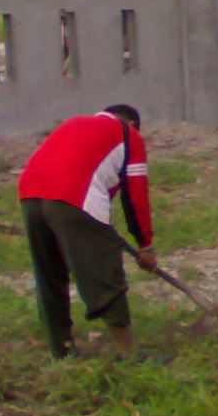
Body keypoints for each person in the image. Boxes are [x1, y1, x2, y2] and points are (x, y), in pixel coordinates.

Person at [17, 105, 159, 360]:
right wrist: (145, 245)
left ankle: (61, 353)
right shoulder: (129, 134)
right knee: (104, 274)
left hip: (30, 195)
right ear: (133, 124)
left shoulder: (72, 123)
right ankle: (130, 355)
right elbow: (135, 193)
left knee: (49, 276)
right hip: (74, 197)